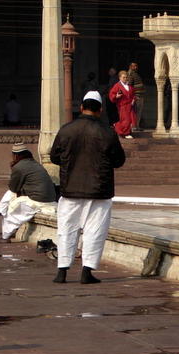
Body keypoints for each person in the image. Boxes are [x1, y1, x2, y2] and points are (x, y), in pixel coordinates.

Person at [49, 91, 126, 284]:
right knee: (95, 231)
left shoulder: (66, 130)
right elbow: (118, 160)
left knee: (66, 229)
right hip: (99, 190)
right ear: (100, 110)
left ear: (82, 107)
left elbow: (54, 157)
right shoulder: (107, 132)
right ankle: (86, 271)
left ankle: (62, 271)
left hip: (70, 189)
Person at [0, 143, 56, 243]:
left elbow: (13, 188)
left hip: (39, 201)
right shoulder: (34, 163)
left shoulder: (19, 167)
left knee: (11, 207)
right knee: (10, 195)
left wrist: (13, 169)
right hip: (46, 198)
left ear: (16, 156)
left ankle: (4, 236)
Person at [108, 70, 136, 139]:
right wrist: (116, 96)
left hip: (130, 105)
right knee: (126, 119)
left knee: (131, 119)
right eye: (123, 77)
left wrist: (133, 100)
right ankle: (126, 133)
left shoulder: (128, 85)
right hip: (122, 105)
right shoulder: (117, 85)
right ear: (120, 78)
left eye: (126, 77)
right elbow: (111, 94)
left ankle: (117, 126)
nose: (125, 79)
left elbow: (133, 94)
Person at [127, 62, 145, 130]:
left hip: (140, 95)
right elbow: (130, 86)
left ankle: (136, 126)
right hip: (136, 96)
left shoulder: (135, 74)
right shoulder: (130, 74)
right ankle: (134, 126)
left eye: (136, 66)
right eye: (134, 66)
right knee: (135, 111)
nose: (135, 67)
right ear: (130, 67)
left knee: (138, 112)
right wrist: (133, 96)